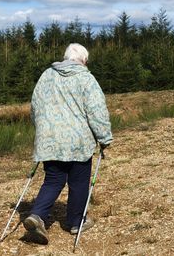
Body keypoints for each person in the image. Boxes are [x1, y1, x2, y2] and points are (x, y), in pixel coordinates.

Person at [23, 43, 112, 245]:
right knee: (79, 181)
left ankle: (37, 215)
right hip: (78, 141)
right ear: (84, 60)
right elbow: (96, 110)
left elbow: (35, 107)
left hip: (50, 140)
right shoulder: (85, 78)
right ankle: (75, 221)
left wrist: (43, 131)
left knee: (53, 180)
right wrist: (104, 138)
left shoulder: (47, 75)